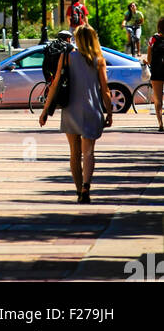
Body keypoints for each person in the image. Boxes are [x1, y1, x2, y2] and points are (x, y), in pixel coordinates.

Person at [40, 22, 113, 202]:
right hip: (92, 109)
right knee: (89, 153)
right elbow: (105, 90)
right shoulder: (99, 60)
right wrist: (109, 112)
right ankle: (86, 186)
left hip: (71, 109)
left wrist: (45, 111)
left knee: (74, 153)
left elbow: (55, 84)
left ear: (78, 40)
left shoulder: (67, 58)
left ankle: (79, 191)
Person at [145, 15, 164, 133]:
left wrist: (149, 63)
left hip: (157, 71)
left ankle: (160, 123)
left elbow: (149, 58)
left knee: (158, 100)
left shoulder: (153, 39)